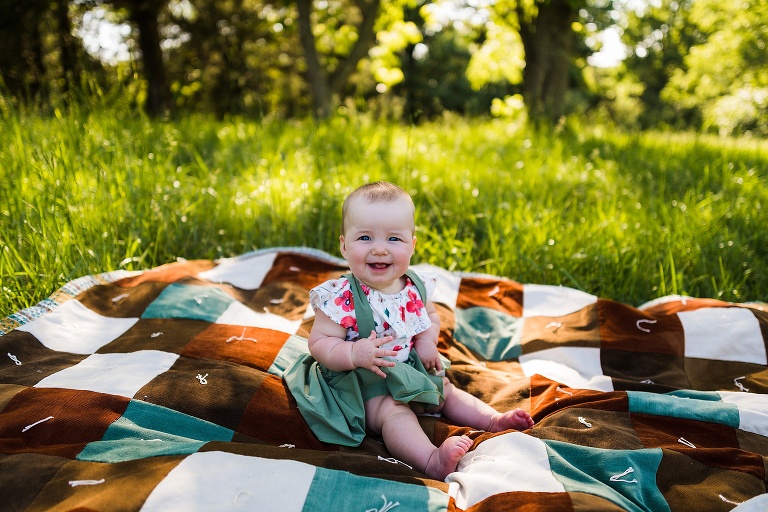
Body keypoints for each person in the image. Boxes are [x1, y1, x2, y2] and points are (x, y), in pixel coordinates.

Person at [284, 181, 534, 481]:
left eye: (393, 238)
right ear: (344, 246)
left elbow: (429, 316)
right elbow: (320, 343)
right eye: (365, 237)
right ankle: (430, 460)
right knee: (393, 413)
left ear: (412, 245)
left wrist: (427, 342)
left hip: (407, 367)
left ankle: (493, 420)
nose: (379, 248)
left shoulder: (414, 286)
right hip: (361, 381)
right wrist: (353, 353)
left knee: (444, 391)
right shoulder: (340, 298)